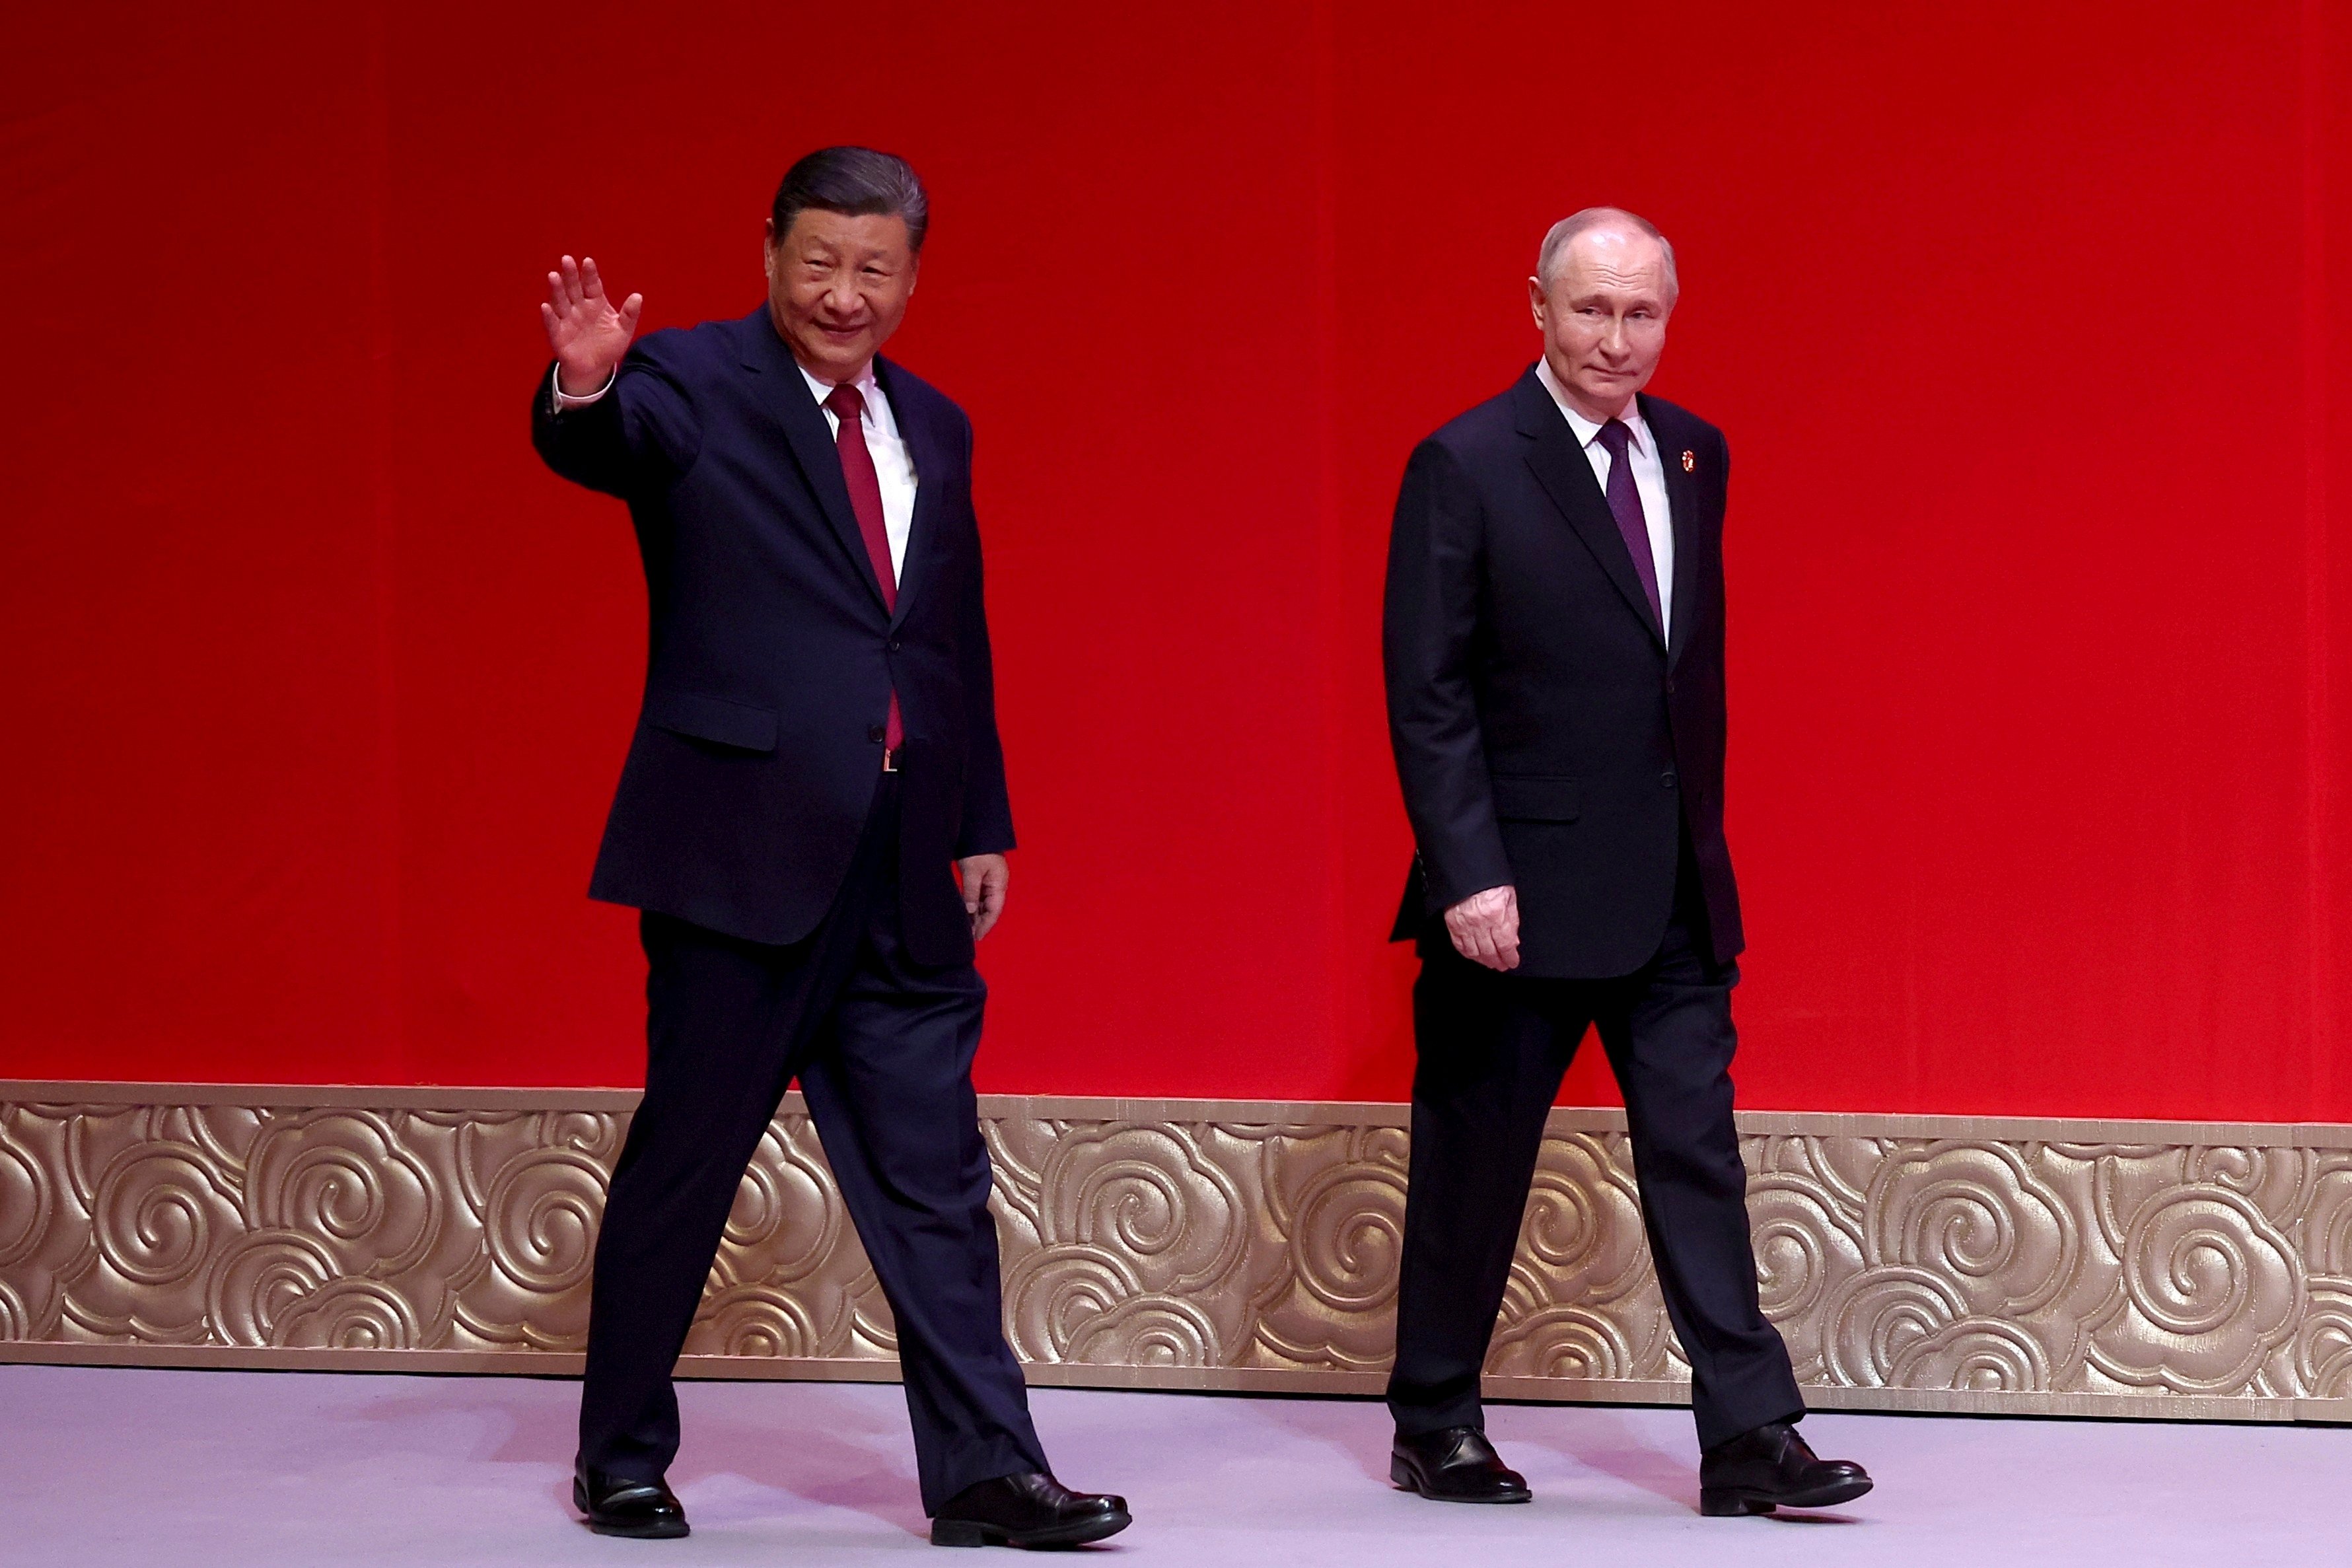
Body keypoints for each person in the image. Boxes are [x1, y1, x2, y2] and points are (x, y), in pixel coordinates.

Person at [531, 146, 1129, 1549]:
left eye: (873, 267)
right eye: (819, 261)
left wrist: (978, 814)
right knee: (690, 1157)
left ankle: (985, 1468)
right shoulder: (684, 384)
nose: (843, 293)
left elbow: (944, 634)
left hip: (902, 860)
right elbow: (601, 447)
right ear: (770, 253)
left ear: (912, 272)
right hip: (738, 856)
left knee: (935, 1180)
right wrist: (583, 383)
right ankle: (619, 1450)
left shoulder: (937, 422)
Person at [1379, 207, 1872, 1518]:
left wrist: (1699, 860)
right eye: (1589, 309)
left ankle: (1748, 1432)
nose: (1614, 338)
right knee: (1475, 1159)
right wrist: (1464, 872)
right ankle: (1433, 1414)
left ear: (1668, 316)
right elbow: (1424, 689)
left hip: (1668, 888)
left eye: (1638, 313)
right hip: (1514, 894)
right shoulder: (1466, 460)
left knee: (1696, 1149)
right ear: (1535, 306)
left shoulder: (1697, 454)